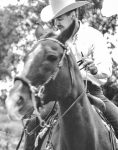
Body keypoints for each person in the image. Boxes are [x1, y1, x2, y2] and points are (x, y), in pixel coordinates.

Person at [40, 0, 118, 138]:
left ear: (73, 14)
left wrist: (94, 69)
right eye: (54, 20)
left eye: (60, 18)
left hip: (92, 92)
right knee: (34, 122)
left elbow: (106, 68)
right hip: (61, 94)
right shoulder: (55, 40)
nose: (56, 24)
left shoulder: (94, 35)